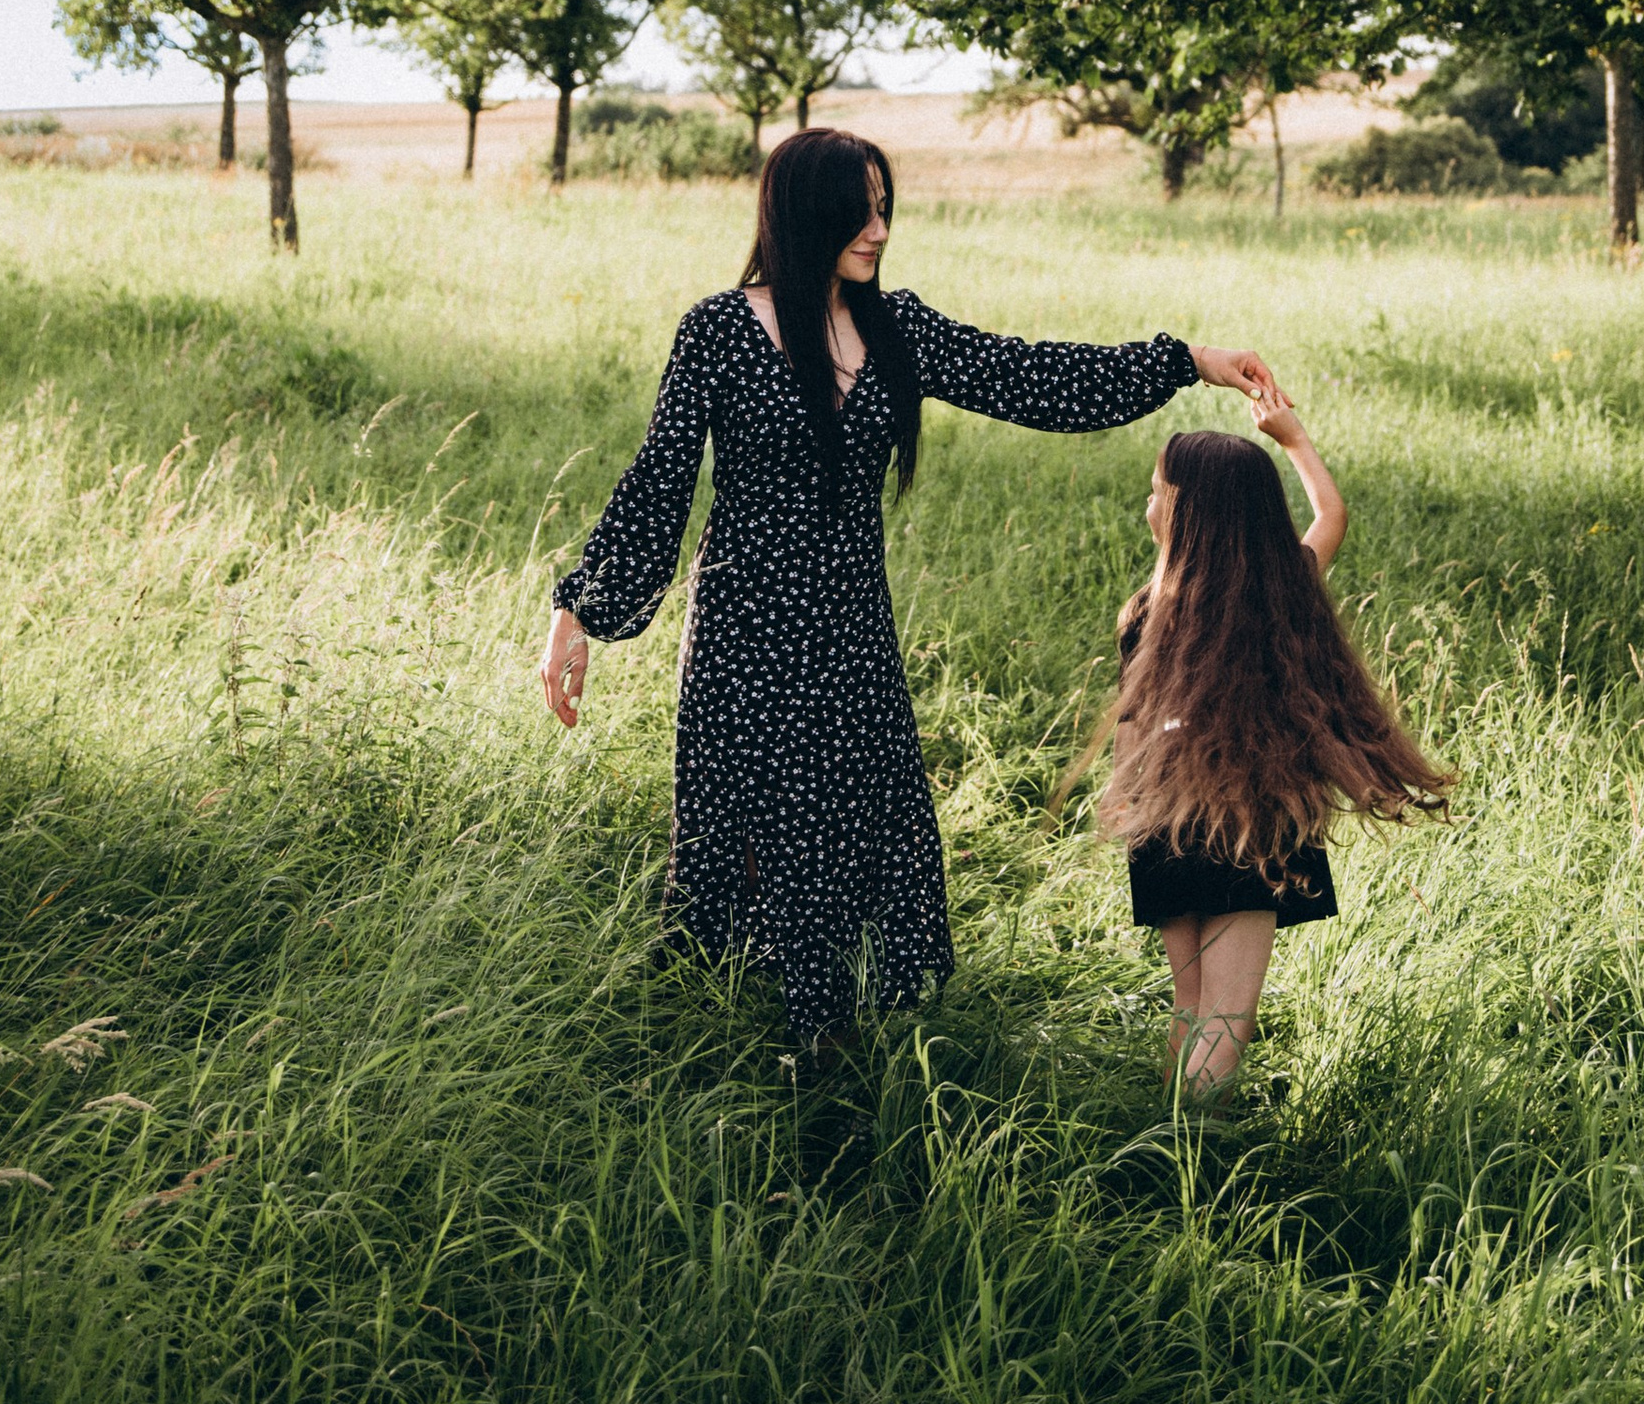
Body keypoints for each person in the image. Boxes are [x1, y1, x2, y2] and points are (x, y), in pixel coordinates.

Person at [541, 125, 1284, 1047]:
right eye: (859, 210)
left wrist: (1188, 361)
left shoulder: (897, 329)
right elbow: (658, 480)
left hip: (851, 634)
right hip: (745, 637)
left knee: (849, 837)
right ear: (803, 212)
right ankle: (754, 1043)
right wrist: (580, 610)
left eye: (885, 208)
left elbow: (1037, 379)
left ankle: (840, 1048)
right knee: (762, 844)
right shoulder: (719, 332)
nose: (878, 229)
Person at [1087, 401, 1453, 1100]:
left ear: (1184, 514)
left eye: (1155, 492)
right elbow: (1331, 515)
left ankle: (1161, 1135)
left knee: (1191, 1004)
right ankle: (1189, 1155)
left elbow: (1131, 729)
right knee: (1228, 1016)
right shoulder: (1279, 589)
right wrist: (1293, 438)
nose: (1147, 504)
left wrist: (1121, 802)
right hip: (1249, 824)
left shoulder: (1143, 612)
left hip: (1162, 823)